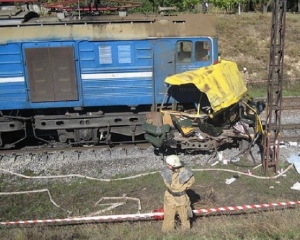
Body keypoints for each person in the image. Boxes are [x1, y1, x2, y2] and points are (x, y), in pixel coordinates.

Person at [161, 155, 195, 232]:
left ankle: (185, 231)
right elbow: (166, 181)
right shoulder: (166, 170)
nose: (167, 165)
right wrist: (172, 188)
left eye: (169, 164)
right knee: (169, 214)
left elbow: (191, 182)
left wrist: (181, 188)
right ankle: (167, 231)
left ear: (174, 165)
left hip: (181, 198)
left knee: (184, 215)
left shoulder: (185, 172)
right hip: (169, 196)